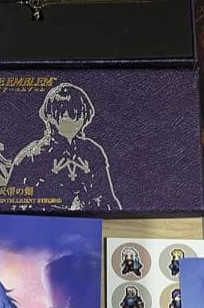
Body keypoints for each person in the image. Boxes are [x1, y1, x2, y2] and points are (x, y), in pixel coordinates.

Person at [10, 82, 121, 211]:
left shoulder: (92, 151)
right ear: (51, 117)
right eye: (68, 117)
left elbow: (108, 199)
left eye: (80, 116)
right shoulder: (31, 155)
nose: (75, 122)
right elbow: (10, 202)